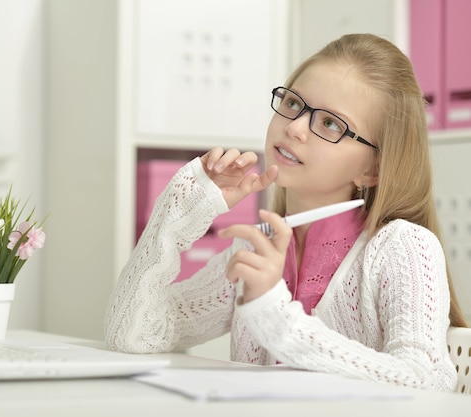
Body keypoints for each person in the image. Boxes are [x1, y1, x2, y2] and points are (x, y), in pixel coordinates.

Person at [104, 33, 467, 391]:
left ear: (372, 170)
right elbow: (134, 334)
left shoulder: (403, 248)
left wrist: (273, 312)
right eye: (294, 104)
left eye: (330, 124)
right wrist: (178, 214)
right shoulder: (252, 251)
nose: (294, 127)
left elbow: (426, 382)